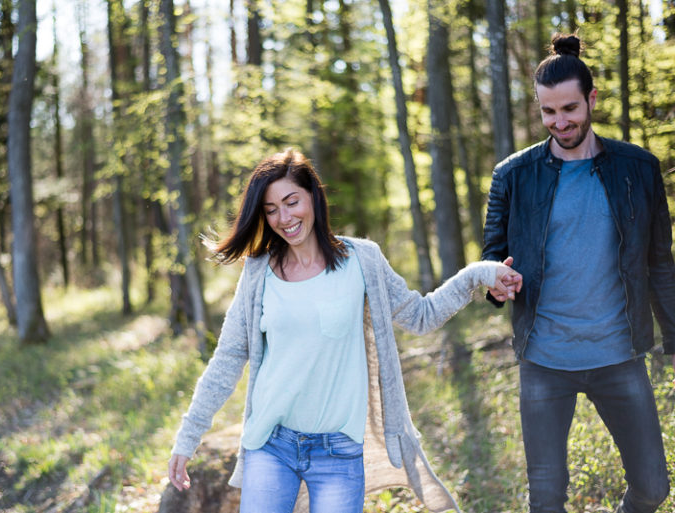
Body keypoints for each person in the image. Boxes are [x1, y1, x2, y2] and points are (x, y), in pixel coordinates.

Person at [167, 148, 522, 513]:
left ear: (313, 197)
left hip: (338, 452)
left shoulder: (362, 261)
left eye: (291, 202)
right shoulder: (258, 272)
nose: (284, 218)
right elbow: (227, 358)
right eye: (271, 210)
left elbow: (421, 315)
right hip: (271, 444)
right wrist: (187, 437)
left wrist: (481, 273)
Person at [482, 33, 675, 513]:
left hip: (619, 354)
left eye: (569, 109)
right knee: (546, 500)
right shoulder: (513, 175)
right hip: (544, 360)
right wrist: (496, 282)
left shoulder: (639, 169)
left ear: (591, 99)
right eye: (548, 112)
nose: (559, 122)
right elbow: (492, 258)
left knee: (653, 488)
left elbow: (660, 264)